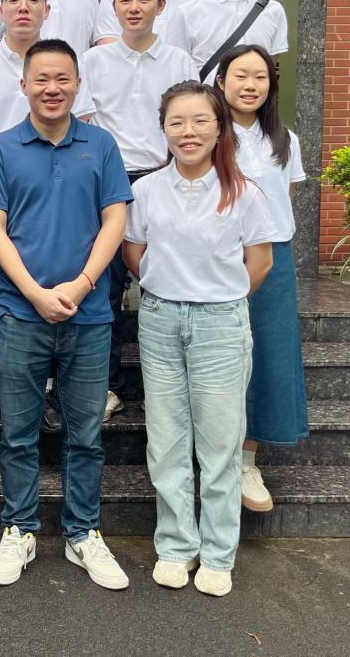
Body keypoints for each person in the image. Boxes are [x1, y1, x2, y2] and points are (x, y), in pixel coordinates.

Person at [0, 39, 133, 591]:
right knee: (18, 433)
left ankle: (82, 531)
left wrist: (83, 283)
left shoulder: (101, 144)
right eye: (41, 79)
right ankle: (19, 528)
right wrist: (35, 292)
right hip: (20, 314)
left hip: (89, 316)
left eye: (63, 78)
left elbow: (115, 219)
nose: (52, 88)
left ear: (78, 85)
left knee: (86, 434)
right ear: (23, 85)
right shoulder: (0, 148)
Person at [122, 80, 275, 598]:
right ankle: (175, 546)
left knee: (220, 443)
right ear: (164, 130)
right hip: (160, 319)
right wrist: (172, 288)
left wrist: (216, 295)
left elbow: (260, 263)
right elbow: (134, 252)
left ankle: (217, 553)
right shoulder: (146, 190)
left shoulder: (244, 192)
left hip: (220, 324)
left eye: (200, 121)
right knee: (165, 440)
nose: (188, 132)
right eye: (177, 122)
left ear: (219, 127)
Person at [0, 0, 93, 433]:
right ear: (0, 9)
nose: (23, 8)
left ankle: (49, 391)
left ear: (47, 9)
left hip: (53, 203)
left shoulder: (63, 62)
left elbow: (84, 126)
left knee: (51, 289)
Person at [80, 0, 198, 422]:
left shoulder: (180, 62)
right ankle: (105, 386)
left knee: (165, 283)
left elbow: (190, 122)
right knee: (105, 287)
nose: (134, 8)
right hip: (107, 181)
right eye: (125, 0)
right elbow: (84, 122)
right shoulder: (93, 61)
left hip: (164, 179)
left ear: (161, 6)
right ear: (112, 8)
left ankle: (168, 389)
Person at [215, 44, 309, 513]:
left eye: (260, 77)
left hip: (272, 260)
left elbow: (283, 199)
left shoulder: (285, 140)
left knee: (267, 355)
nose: (249, 85)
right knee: (217, 357)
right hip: (216, 257)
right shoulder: (208, 132)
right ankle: (212, 456)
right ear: (221, 81)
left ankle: (246, 461)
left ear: (271, 86)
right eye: (240, 75)